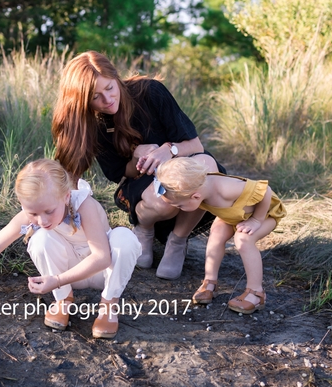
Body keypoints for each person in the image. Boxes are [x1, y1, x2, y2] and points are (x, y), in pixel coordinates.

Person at [52, 51, 224, 280]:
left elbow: (195, 144)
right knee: (165, 200)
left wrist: (167, 150)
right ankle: (144, 228)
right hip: (141, 183)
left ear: (116, 77)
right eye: (95, 97)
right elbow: (120, 172)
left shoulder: (150, 92)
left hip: (180, 165)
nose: (107, 100)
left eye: (109, 88)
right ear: (83, 99)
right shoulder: (93, 123)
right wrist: (135, 158)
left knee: (207, 167)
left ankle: (178, 241)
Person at [0, 159, 141, 339]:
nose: (42, 219)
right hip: (68, 274)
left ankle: (108, 304)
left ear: (66, 196)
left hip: (102, 272)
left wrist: (56, 280)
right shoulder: (33, 217)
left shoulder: (84, 205)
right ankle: (63, 301)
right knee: (40, 239)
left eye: (49, 211)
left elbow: (103, 258)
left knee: (124, 238)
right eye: (33, 213)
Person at [154, 157, 286, 314]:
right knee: (216, 233)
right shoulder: (196, 187)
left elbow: (266, 192)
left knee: (243, 240)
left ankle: (256, 293)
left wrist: (256, 220)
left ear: (195, 197)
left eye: (179, 205)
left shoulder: (226, 189)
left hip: (264, 214)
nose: (178, 209)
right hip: (233, 214)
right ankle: (210, 282)